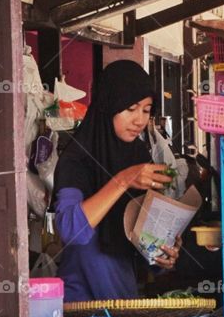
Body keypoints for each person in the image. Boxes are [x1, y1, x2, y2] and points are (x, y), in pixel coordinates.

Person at [52, 60, 180, 301]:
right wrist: (123, 180)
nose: (139, 120)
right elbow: (72, 230)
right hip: (81, 306)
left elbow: (144, 244)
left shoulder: (140, 157)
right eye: (131, 108)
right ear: (108, 105)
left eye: (146, 109)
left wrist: (163, 253)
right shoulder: (77, 158)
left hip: (124, 301)